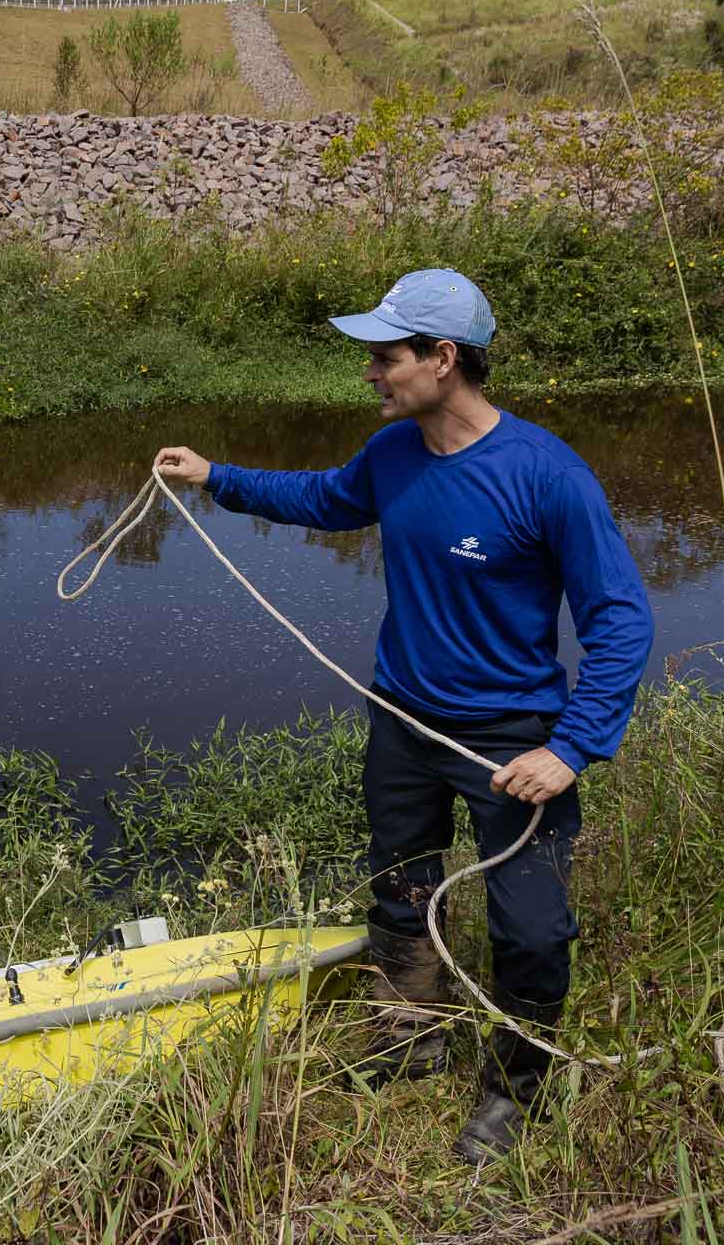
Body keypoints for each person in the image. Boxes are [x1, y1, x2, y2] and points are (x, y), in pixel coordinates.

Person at [151, 269, 653, 1164]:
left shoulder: (546, 476)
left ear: (443, 359)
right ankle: (409, 1036)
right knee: (401, 887)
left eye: (386, 358)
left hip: (512, 741)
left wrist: (572, 747)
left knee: (531, 927)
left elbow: (620, 618)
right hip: (402, 722)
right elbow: (324, 500)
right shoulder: (391, 458)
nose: (371, 374)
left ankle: (514, 1091)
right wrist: (216, 477)